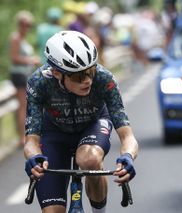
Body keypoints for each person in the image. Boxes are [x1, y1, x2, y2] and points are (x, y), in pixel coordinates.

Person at [23, 31, 139, 213]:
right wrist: (33, 158)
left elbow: (127, 136)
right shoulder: (39, 82)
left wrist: (128, 157)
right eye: (78, 76)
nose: (87, 81)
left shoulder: (104, 79)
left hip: (93, 125)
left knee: (89, 159)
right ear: (56, 73)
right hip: (55, 133)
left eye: (90, 72)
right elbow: (31, 141)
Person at [9, 10, 41, 147]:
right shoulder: (15, 38)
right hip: (19, 74)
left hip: (25, 74)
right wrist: (30, 60)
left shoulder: (23, 38)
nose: (26, 28)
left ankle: (25, 134)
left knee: (25, 105)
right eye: (24, 24)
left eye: (29, 25)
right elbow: (14, 57)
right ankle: (22, 137)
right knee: (23, 106)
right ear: (19, 24)